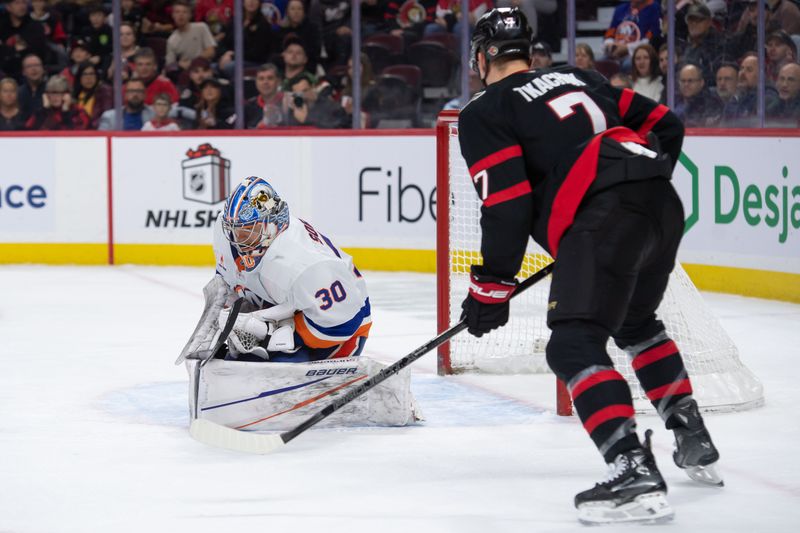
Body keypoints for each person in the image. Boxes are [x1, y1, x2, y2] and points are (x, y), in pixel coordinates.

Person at [458, 7, 721, 525]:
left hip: (605, 216)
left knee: (572, 343)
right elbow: (665, 123)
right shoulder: (579, 76)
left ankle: (631, 468)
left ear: (484, 55)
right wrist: (631, 182)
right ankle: (690, 433)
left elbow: (507, 205)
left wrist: (490, 291)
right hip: (660, 203)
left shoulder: (485, 110)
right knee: (635, 324)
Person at [208, 176, 371, 363]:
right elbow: (227, 279)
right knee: (234, 362)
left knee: (271, 374)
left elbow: (343, 324)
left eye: (249, 231)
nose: (239, 239)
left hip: (339, 325)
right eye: (235, 230)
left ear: (272, 224)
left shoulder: (304, 263)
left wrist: (277, 336)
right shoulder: (228, 233)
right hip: (286, 301)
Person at [165, 0, 216, 72]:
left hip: (205, 67)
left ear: (190, 15)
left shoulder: (201, 27)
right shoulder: (172, 40)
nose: (181, 15)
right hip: (187, 72)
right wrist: (179, 64)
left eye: (184, 12)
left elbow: (211, 51)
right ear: (173, 15)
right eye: (177, 12)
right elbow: (170, 65)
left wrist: (191, 62)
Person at [25, 74, 89, 130]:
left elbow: (78, 134)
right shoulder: (41, 112)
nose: (55, 97)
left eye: (59, 92)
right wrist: (45, 111)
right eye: (52, 93)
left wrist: (65, 112)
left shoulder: (77, 111)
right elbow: (29, 132)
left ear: (67, 94)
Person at [674, 63, 723, 127]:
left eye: (690, 81)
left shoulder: (711, 103)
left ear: (701, 83)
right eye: (683, 81)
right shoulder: (673, 100)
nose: (686, 85)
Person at [244, 62, 286, 128]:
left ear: (278, 81)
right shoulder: (248, 107)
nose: (265, 82)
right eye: (261, 79)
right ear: (256, 83)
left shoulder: (289, 103)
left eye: (270, 78)